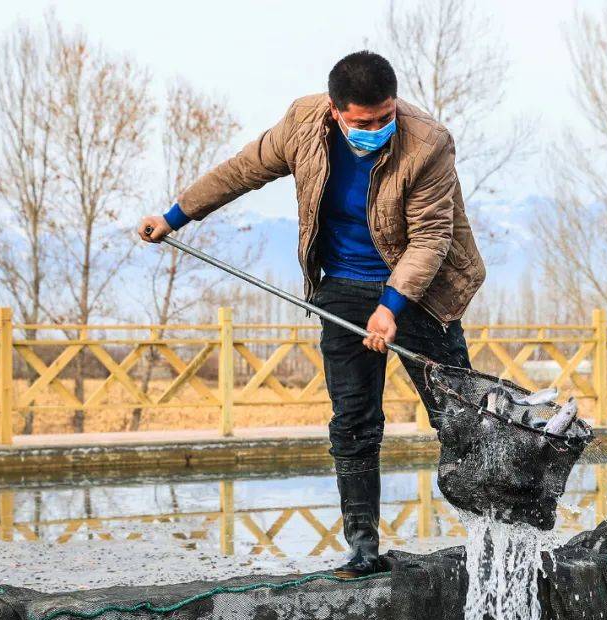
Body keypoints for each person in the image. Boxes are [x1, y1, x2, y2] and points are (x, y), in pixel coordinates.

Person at [138, 50, 485, 577]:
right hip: (343, 285)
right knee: (353, 421)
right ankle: (365, 550)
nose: (377, 130)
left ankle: (494, 540)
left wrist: (391, 306)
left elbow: (432, 237)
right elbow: (241, 170)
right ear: (334, 109)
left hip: (422, 293)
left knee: (458, 418)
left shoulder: (428, 142)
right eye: (363, 122)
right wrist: (174, 217)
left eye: (386, 117)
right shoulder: (303, 124)